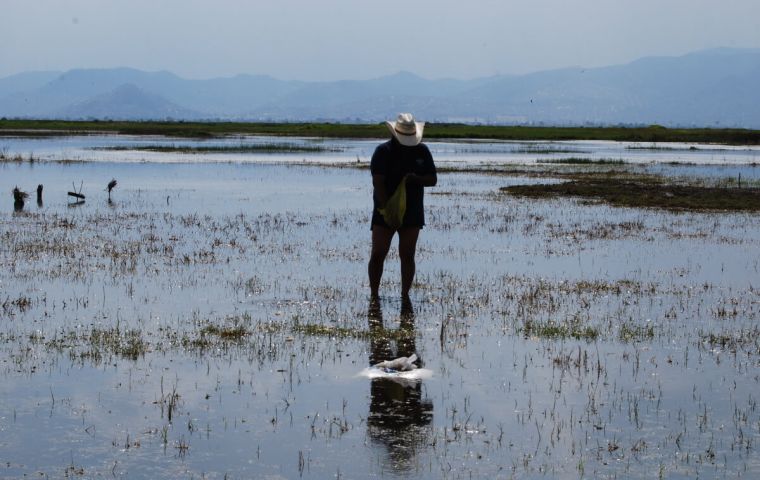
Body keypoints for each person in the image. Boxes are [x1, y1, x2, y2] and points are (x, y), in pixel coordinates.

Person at [368, 113, 437, 299]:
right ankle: (374, 294)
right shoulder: (383, 152)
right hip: (384, 210)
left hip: (412, 211)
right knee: (378, 253)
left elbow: (432, 179)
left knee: (407, 254)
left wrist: (416, 179)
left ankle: (405, 295)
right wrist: (387, 210)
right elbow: (378, 182)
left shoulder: (422, 151)